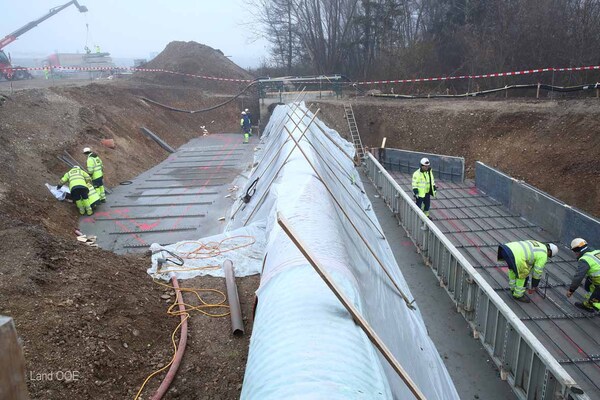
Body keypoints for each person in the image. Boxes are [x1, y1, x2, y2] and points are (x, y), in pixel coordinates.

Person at [566, 238, 600, 312]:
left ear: (577, 250)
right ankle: (587, 305)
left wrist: (571, 290)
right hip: (597, 281)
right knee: (589, 282)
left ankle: (592, 303)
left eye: (574, 251)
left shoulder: (585, 260)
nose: (575, 253)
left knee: (595, 303)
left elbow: (578, 277)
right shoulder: (597, 251)